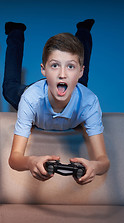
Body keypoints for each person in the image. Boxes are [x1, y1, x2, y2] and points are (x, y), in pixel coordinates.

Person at [3, 20, 110, 185]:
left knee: (81, 84)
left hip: (74, 90)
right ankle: (15, 32)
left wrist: (95, 166)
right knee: (9, 88)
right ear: (43, 69)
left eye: (71, 67)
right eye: (54, 66)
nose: (62, 74)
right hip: (35, 94)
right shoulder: (30, 99)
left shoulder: (88, 102)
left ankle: (84, 31)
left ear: (80, 71)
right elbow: (14, 158)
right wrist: (30, 162)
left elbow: (104, 161)